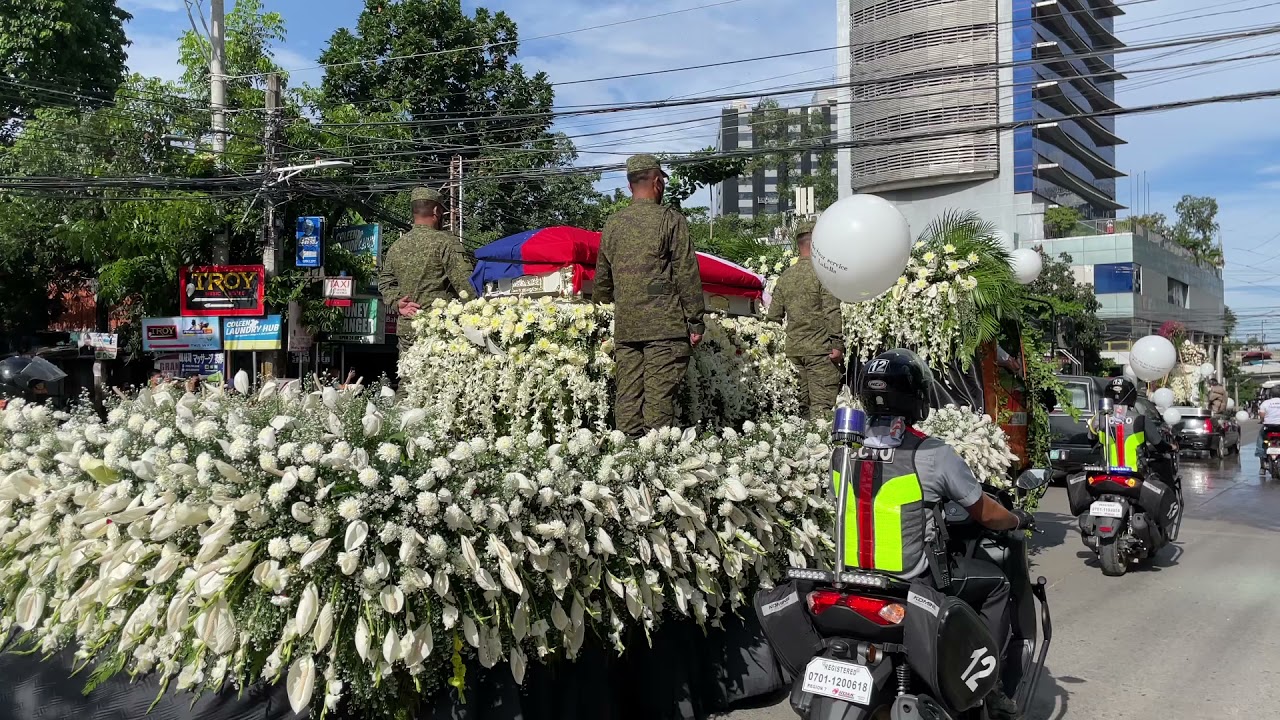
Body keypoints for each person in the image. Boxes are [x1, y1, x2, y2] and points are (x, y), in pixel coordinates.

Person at [850, 349, 1032, 719]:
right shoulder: (932, 453)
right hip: (914, 579)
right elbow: (986, 514)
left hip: (852, 578)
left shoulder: (844, 450)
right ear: (918, 398)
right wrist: (1017, 519)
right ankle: (989, 682)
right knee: (996, 584)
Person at [594, 154, 706, 437]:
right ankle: (654, 463)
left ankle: (626, 462)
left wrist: (604, 308)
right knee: (658, 404)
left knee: (628, 397)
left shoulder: (613, 224)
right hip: (664, 327)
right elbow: (686, 274)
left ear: (630, 185)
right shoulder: (671, 220)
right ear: (657, 182)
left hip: (627, 327)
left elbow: (602, 282)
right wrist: (695, 322)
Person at [377, 186, 475, 350]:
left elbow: (385, 282)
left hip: (408, 331)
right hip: (440, 330)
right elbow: (466, 287)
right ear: (436, 211)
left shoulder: (397, 246)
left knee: (409, 374)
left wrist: (397, 302)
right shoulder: (445, 242)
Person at [765, 219, 844, 419]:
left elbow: (773, 316)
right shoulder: (823, 274)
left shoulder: (785, 277)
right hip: (820, 352)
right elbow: (831, 310)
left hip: (793, 352)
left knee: (798, 412)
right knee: (821, 411)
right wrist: (837, 344)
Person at [1089, 377, 1178, 487]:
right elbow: (1159, 444)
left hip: (1106, 472)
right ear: (1132, 396)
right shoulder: (1141, 419)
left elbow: (1091, 440)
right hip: (1136, 475)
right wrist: (1171, 447)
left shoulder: (1099, 418)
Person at [1255, 386, 1280, 464]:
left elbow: (1262, 415)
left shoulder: (1265, 403)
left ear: (1271, 394)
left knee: (1261, 438)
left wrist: (1262, 420)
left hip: (1269, 427)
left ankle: (1261, 456)